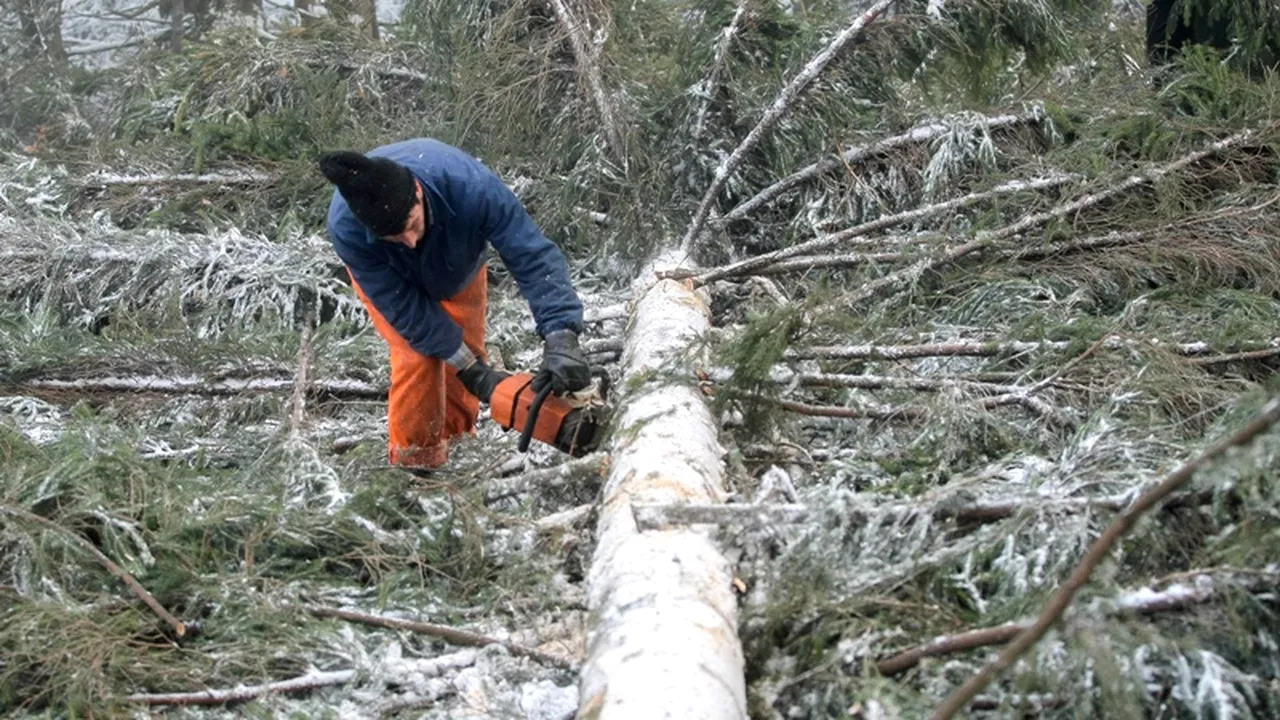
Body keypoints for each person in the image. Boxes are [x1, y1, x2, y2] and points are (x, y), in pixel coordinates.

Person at [320, 138, 591, 470]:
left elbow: (530, 254)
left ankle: (459, 448)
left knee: (466, 351)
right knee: (419, 357)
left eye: (411, 226)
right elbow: (407, 310)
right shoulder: (347, 227)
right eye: (394, 238)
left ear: (418, 193)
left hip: (458, 266)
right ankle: (417, 467)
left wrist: (560, 332)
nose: (410, 241)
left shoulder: (471, 188)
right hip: (396, 282)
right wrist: (471, 370)